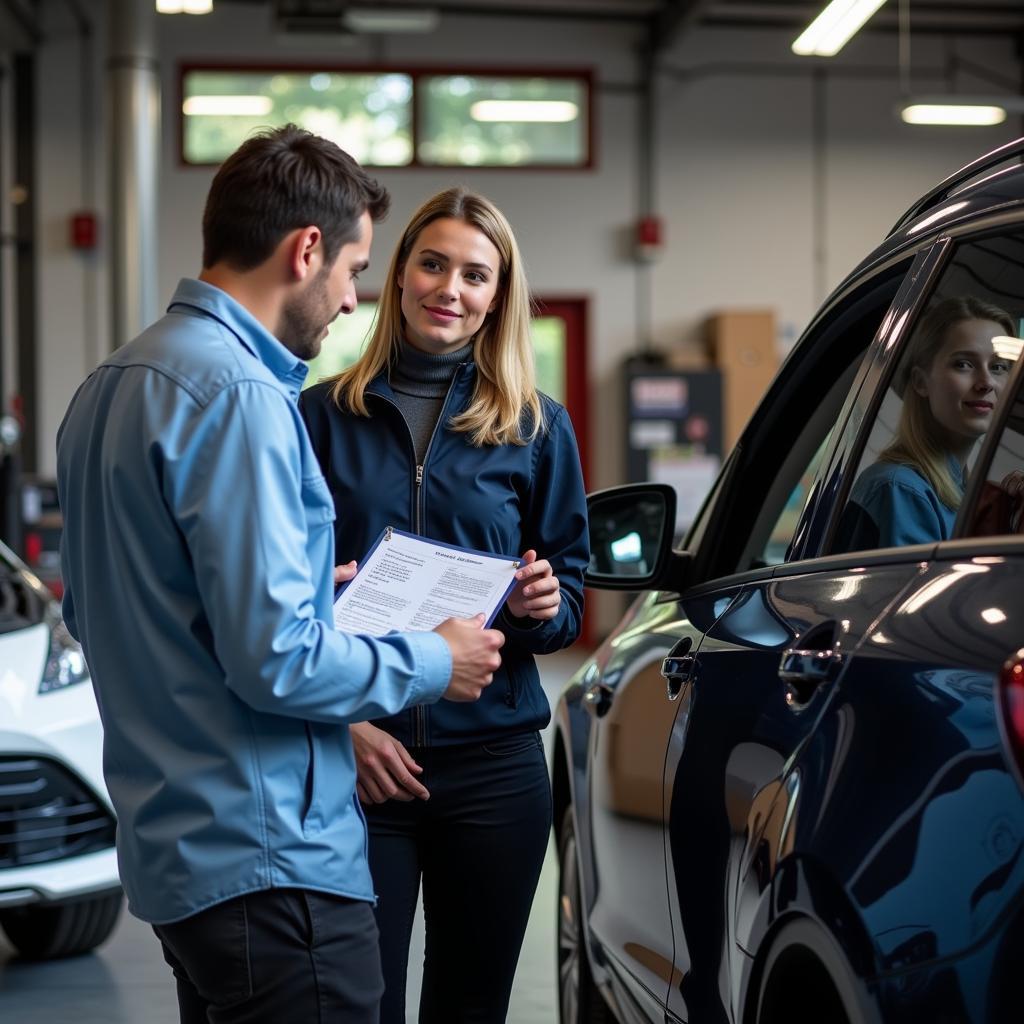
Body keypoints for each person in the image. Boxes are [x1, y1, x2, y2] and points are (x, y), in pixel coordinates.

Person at [55, 126, 505, 1024]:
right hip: (270, 862)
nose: (350, 299)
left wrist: (307, 590)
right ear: (305, 249)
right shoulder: (244, 396)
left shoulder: (111, 383)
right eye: (353, 269)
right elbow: (277, 663)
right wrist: (431, 658)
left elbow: (103, 609)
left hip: (179, 853)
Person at [299, 186, 589, 1022]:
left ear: (498, 297)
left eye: (474, 274)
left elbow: (568, 595)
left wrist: (541, 605)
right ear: (397, 276)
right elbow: (285, 602)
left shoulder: (537, 427)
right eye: (432, 263)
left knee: (472, 1007)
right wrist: (340, 727)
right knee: (360, 1006)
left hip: (495, 771)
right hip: (362, 767)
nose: (449, 289)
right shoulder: (321, 417)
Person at [837, 295, 1016, 551]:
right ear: (921, 381)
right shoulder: (900, 488)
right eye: (963, 364)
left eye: (998, 367)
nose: (986, 382)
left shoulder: (968, 492)